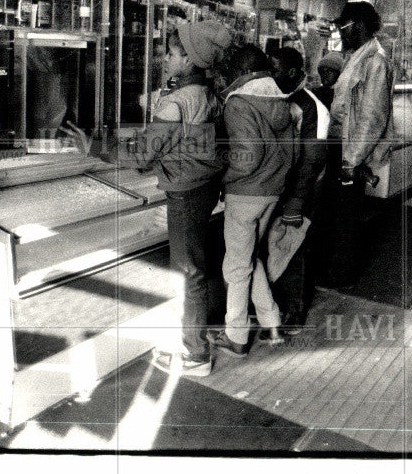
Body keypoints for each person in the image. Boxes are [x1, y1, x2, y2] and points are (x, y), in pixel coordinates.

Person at [66, 21, 232, 377]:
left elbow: (141, 155)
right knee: (196, 268)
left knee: (187, 273)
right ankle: (193, 343)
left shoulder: (177, 102)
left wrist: (94, 146)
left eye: (172, 54)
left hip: (185, 193)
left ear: (189, 59)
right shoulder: (207, 94)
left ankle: (195, 355)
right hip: (203, 187)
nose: (166, 59)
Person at [208, 45, 294, 357]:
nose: (226, 78)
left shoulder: (239, 102)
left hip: (245, 194)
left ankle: (236, 336)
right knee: (249, 258)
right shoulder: (280, 99)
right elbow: (291, 152)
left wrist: (221, 174)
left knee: (236, 267)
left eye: (230, 72)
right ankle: (271, 322)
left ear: (242, 73)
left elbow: (246, 158)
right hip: (272, 191)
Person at [325, 1, 394, 287]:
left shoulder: (375, 60)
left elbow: (372, 116)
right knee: (339, 214)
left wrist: (350, 161)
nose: (340, 32)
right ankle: (337, 269)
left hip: (349, 150)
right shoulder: (358, 55)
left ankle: (343, 275)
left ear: (360, 25)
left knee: (346, 217)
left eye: (344, 27)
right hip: (341, 145)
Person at [269, 48, 330, 327]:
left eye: (275, 69)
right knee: (276, 244)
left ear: (292, 72)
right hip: (277, 187)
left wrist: (296, 199)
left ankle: (294, 309)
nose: (270, 75)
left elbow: (313, 159)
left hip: (302, 189)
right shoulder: (277, 96)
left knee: (296, 246)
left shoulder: (312, 107)